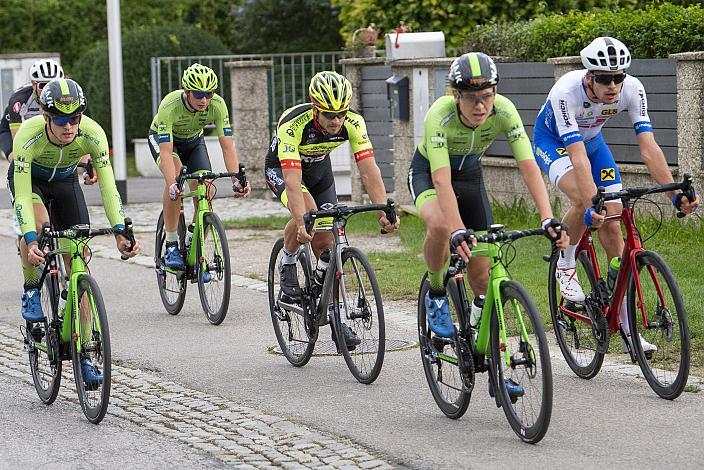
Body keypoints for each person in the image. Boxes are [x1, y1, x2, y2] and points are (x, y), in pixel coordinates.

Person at [408, 52, 566, 398]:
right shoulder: (440, 115)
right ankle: (436, 292)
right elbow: (441, 180)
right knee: (438, 225)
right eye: (471, 97)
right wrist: (455, 229)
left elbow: (528, 166)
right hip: (431, 176)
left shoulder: (505, 111)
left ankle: (493, 362)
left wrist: (546, 216)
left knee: (484, 274)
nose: (481, 106)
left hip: (471, 177)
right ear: (456, 95)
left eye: (487, 96)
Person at [532, 37, 699, 352]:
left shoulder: (633, 89)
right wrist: (591, 200)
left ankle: (625, 323)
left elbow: (648, 148)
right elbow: (576, 156)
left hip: (594, 144)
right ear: (589, 76)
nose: (613, 85)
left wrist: (674, 195)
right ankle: (565, 262)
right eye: (605, 78)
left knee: (613, 216)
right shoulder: (567, 91)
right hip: (554, 143)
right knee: (585, 199)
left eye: (618, 77)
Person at [10, 78, 140, 381]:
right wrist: (30, 239)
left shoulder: (92, 134)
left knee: (78, 261)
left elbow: (109, 189)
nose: (69, 126)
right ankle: (32, 290)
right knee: (40, 231)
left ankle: (83, 356)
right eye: (60, 119)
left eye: (75, 118)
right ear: (45, 117)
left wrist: (121, 231)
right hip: (32, 185)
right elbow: (22, 198)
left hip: (66, 184)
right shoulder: (28, 136)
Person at [264, 70, 399, 350]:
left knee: (327, 240)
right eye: (329, 115)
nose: (336, 120)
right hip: (284, 168)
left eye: (341, 113)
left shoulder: (353, 122)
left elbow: (369, 170)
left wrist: (383, 209)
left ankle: (338, 319)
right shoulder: (293, 123)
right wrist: (301, 221)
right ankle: (287, 262)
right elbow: (291, 180)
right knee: (309, 215)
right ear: (315, 108)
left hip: (318, 170)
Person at [149, 63, 250, 270]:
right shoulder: (170, 105)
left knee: (207, 187)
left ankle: (194, 240)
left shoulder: (218, 105)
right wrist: (171, 183)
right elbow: (167, 152)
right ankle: (170, 244)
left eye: (209, 94)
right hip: (167, 142)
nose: (204, 100)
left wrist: (236, 179)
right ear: (187, 92)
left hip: (194, 142)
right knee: (176, 182)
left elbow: (228, 147)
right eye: (198, 94)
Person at [1, 58, 65, 161]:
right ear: (34, 84)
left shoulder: (65, 97)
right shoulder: (19, 99)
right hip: (10, 129)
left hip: (39, 127)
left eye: (53, 85)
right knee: (17, 159)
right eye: (43, 85)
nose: (48, 90)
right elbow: (18, 140)